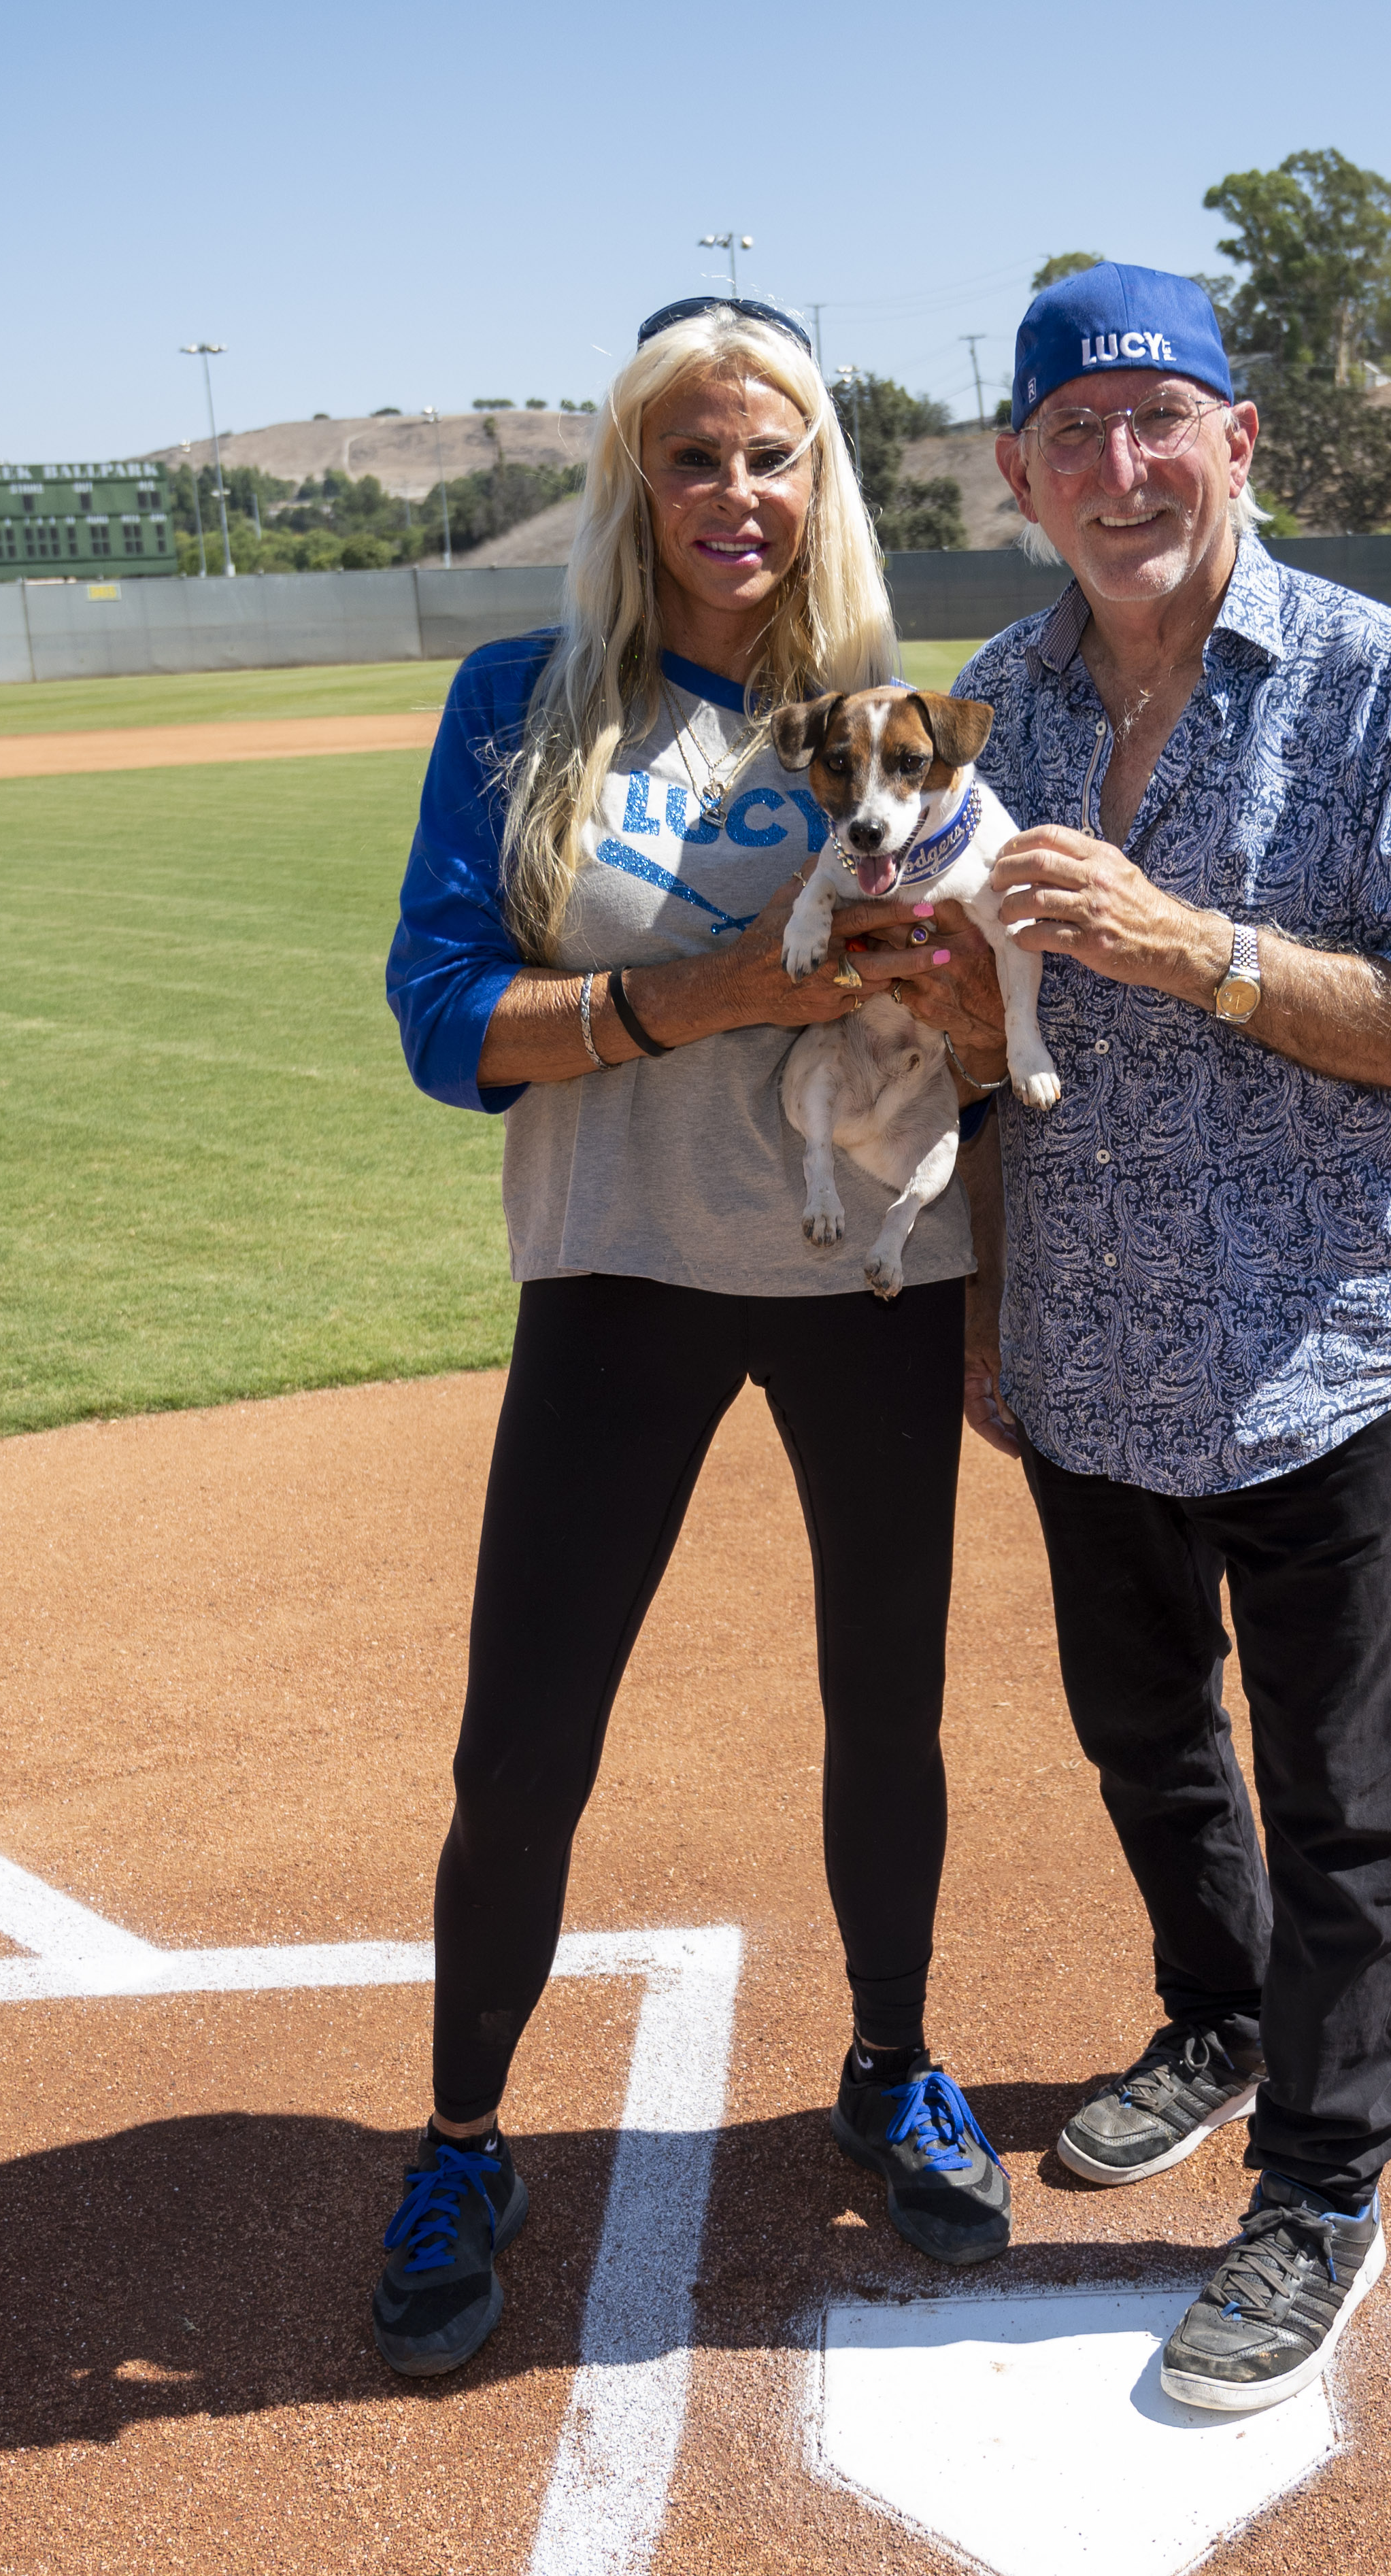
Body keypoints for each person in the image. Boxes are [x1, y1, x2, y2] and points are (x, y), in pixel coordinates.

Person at [371, 298, 1011, 2378]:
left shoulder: (888, 715)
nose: (733, 495)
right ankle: (467, 2136)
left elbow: (997, 1053)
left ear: (819, 477)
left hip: (870, 1282)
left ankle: (894, 2061)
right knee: (525, 1733)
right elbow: (442, 1017)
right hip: (616, 1270)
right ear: (633, 482)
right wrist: (705, 998)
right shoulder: (522, 702)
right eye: (689, 457)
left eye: (771, 455)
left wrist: (1002, 1267)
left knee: (885, 1708)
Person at [920, 262, 1391, 2413]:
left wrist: (1197, 951)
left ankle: (1322, 2184)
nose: (1122, 468)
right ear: (1019, 475)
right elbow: (982, 1059)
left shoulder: (1378, 680)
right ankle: (1216, 2011)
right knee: (1148, 1750)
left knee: (1345, 1808)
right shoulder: (991, 703)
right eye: (1074, 435)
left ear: (1238, 441)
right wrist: (989, 1316)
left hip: (1319, 1355)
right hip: (1086, 1357)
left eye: (1160, 421)